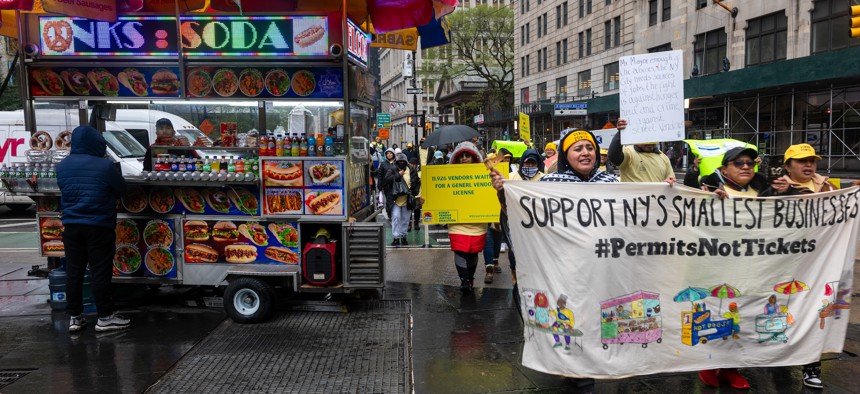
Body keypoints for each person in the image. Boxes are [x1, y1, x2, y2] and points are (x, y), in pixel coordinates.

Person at [770, 143, 835, 389]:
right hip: (786, 263)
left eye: (811, 160)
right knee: (783, 312)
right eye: (801, 161)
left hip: (818, 263)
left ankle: (811, 367)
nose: (808, 165)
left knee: (814, 311)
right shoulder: (777, 186)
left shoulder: (827, 185)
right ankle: (778, 356)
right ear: (788, 166)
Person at [57, 125, 130, 332]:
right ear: (96, 143)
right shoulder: (105, 166)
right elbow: (121, 190)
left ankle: (74, 317)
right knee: (100, 272)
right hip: (99, 226)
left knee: (74, 272)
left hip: (71, 227)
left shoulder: (62, 166)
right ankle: (105, 317)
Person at [447, 141, 487, 294]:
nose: (464, 158)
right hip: (458, 222)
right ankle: (464, 280)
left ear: (474, 157)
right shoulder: (446, 175)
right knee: (460, 251)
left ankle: (470, 278)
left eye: (467, 156)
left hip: (477, 222)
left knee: (473, 252)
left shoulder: (485, 173)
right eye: (461, 156)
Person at [607, 119, 675, 183]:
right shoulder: (629, 152)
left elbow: (671, 180)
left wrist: (669, 182)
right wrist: (621, 133)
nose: (649, 143)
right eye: (645, 139)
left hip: (657, 195)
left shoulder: (664, 158)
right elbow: (613, 156)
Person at [483, 149, 513, 284]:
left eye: (507, 158)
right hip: (486, 210)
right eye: (503, 158)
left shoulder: (513, 173)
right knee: (488, 241)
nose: (505, 160)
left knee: (497, 239)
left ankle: (495, 261)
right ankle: (489, 269)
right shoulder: (486, 172)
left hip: (501, 212)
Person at [385, 153, 420, 246]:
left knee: (405, 220)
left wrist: (414, 193)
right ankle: (396, 238)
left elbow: (416, 182)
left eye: (403, 161)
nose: (401, 163)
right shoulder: (392, 169)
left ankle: (403, 237)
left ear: (406, 162)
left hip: (407, 200)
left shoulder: (411, 170)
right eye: (399, 161)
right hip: (395, 200)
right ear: (397, 162)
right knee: (395, 218)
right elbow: (386, 179)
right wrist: (397, 175)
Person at [377, 147, 397, 216]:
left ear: (393, 154)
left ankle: (394, 212)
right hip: (386, 185)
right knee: (388, 199)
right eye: (387, 153)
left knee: (395, 199)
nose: (389, 155)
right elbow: (380, 175)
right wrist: (379, 185)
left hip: (395, 184)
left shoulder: (396, 163)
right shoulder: (383, 164)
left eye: (390, 153)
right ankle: (389, 212)